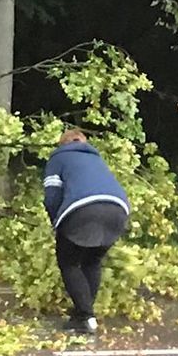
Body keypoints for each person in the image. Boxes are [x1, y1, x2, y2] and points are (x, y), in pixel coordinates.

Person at [43, 129, 130, 334]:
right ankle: (82, 315)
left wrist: (56, 223)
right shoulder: (96, 159)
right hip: (118, 208)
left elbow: (52, 196)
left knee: (69, 261)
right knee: (92, 260)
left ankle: (85, 316)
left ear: (62, 144)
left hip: (82, 209)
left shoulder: (58, 158)